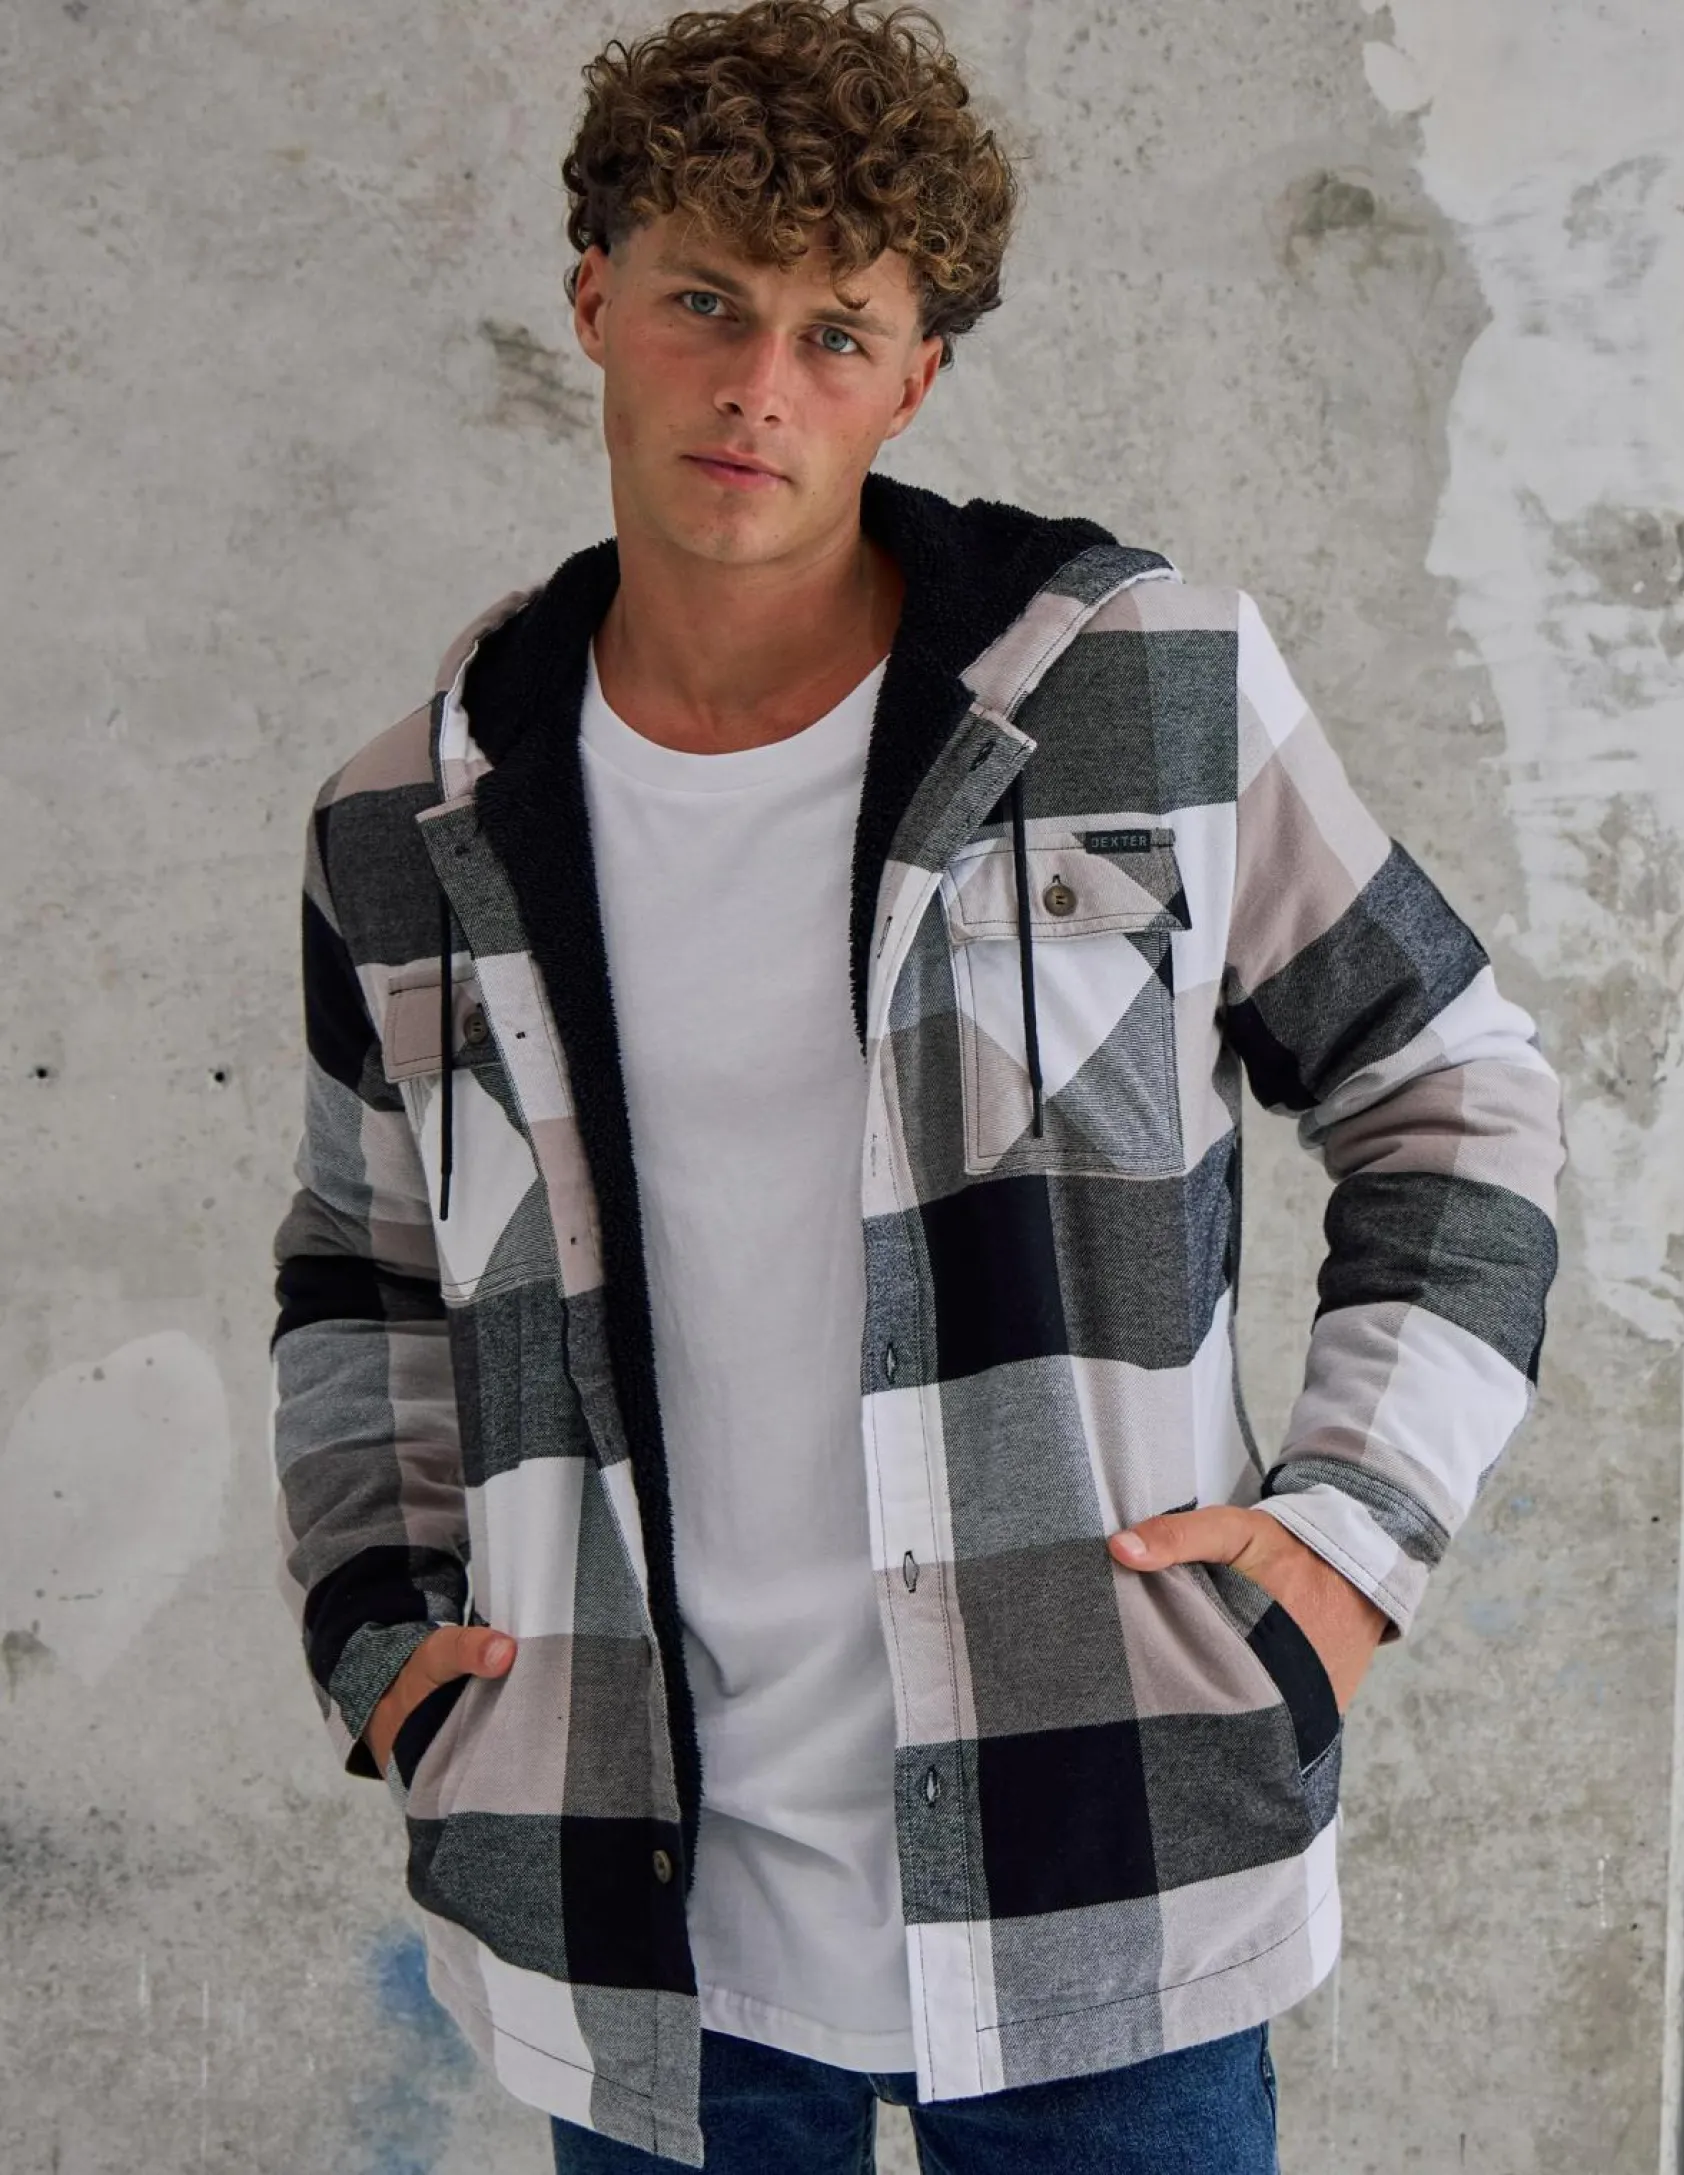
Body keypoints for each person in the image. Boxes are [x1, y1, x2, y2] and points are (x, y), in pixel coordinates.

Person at [269, 3, 1565, 2169]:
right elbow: (359, 1273)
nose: (758, 388)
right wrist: (384, 1646)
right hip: (636, 1923)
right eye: (704, 302)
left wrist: (1348, 1544)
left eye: (835, 333)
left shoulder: (1145, 691)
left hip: (1109, 1862)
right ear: (594, 299)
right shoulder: (408, 823)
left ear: (915, 376)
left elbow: (1453, 1087)